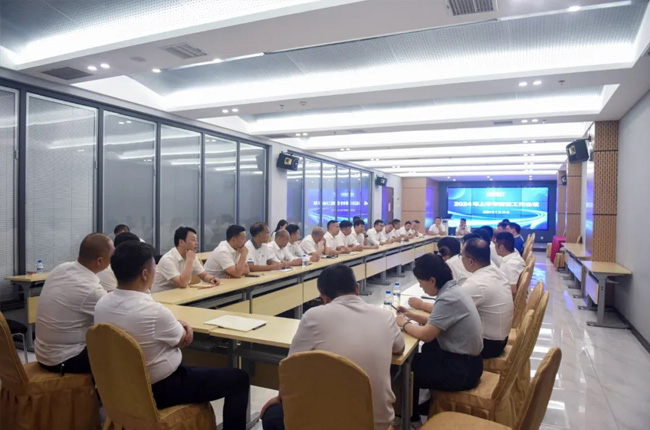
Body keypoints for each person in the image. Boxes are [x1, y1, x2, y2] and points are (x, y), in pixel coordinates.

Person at [95, 241, 250, 429]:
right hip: (159, 388)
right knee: (239, 379)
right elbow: (184, 339)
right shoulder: (154, 312)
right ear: (145, 274)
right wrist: (182, 326)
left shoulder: (102, 304)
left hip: (120, 385)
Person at [261, 264, 405, 430]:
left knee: (273, 415)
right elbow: (399, 348)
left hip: (327, 423)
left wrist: (280, 397)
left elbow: (292, 368)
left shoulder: (313, 316)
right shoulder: (385, 316)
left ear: (324, 298)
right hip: (378, 424)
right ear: (357, 288)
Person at [395, 253, 483, 427]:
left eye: (421, 283)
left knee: (407, 369)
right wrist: (411, 315)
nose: (421, 288)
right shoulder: (455, 290)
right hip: (468, 362)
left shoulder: (448, 298)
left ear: (432, 280)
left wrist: (403, 324)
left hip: (462, 371)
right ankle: (417, 407)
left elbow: (426, 334)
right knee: (424, 353)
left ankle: (410, 419)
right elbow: (439, 321)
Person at [35, 233, 114, 374]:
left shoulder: (61, 268)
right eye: (112, 256)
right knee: (123, 351)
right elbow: (116, 316)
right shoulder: (90, 289)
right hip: (65, 359)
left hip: (43, 353)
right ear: (100, 261)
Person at [461, 238, 514, 358]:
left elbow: (448, 311)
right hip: (501, 339)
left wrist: (421, 305)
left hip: (488, 345)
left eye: (461, 255)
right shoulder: (497, 272)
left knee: (435, 342)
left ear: (471, 261)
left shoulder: (476, 283)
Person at [153, 227, 219, 292]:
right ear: (181, 242)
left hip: (179, 293)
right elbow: (182, 283)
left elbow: (204, 275)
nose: (196, 243)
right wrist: (190, 261)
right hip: (162, 295)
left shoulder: (191, 256)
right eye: (193, 240)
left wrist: (212, 279)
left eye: (196, 240)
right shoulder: (167, 260)